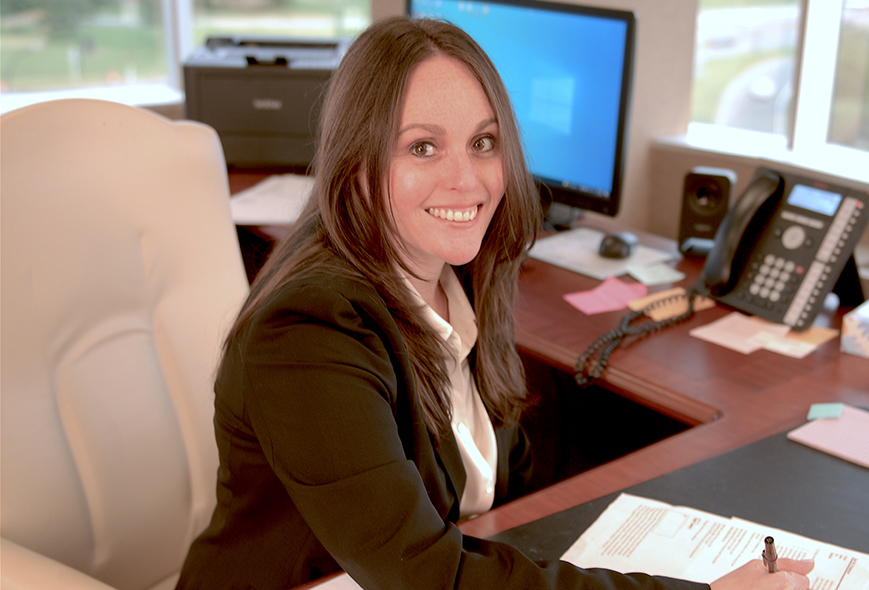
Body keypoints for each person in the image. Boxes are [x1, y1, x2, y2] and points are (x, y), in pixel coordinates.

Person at [175, 16, 814, 590]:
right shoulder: (307, 332)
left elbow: (493, 506)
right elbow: (425, 576)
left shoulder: (470, 274)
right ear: (360, 165)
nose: (468, 179)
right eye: (422, 147)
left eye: (483, 142)